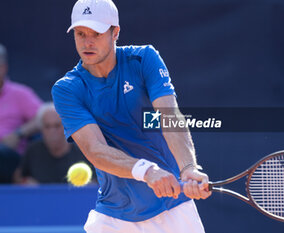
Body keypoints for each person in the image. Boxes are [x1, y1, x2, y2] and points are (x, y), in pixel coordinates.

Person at [51, 0, 211, 232]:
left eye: (96, 33)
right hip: (113, 217)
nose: (87, 42)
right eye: (80, 33)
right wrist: (147, 171)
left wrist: (187, 167)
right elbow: (95, 150)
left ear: (115, 32)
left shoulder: (144, 58)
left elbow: (169, 115)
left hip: (174, 209)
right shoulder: (67, 89)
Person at [13, 102, 94, 184]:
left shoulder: (83, 151)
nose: (52, 131)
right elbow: (19, 177)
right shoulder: (33, 150)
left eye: (57, 126)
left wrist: (88, 187)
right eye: (47, 126)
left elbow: (97, 183)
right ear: (41, 129)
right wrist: (25, 181)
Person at [0, 43, 42, 183]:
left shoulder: (19, 94)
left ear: (4, 67)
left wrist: (18, 133)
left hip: (9, 160)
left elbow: (45, 117)